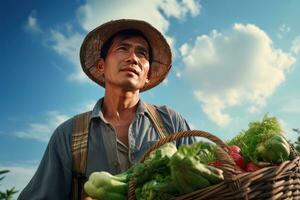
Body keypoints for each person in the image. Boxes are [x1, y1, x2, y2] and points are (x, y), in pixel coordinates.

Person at [18, 19, 196, 200]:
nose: (133, 58)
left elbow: (204, 179)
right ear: (101, 66)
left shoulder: (170, 122)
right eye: (122, 48)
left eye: (141, 53)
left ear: (148, 75)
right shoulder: (69, 134)